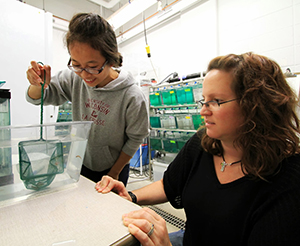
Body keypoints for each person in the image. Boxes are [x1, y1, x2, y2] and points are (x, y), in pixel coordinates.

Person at [95, 52, 300, 245]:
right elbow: (169, 185)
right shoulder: (203, 143)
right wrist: (130, 196)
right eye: (204, 100)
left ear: (255, 106)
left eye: (216, 102)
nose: (203, 111)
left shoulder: (288, 179)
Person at [25, 13, 149, 186]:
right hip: (80, 162)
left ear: (111, 59)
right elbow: (37, 99)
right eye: (76, 65)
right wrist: (38, 84)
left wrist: (114, 173)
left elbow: (136, 138)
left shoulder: (132, 96)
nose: (84, 75)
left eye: (92, 67)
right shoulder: (73, 79)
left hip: (114, 168)